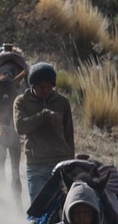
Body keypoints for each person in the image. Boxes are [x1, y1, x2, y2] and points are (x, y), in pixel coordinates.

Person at [14, 61, 75, 210]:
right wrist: (44, 116)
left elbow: (69, 135)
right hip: (36, 165)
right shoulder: (21, 102)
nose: (46, 90)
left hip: (60, 162)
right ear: (32, 85)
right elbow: (20, 127)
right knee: (39, 209)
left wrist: (71, 162)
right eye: (42, 87)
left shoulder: (62, 102)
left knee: (64, 207)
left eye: (49, 86)